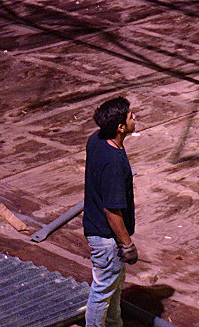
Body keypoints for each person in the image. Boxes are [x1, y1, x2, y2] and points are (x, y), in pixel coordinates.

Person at [83, 96, 138, 327]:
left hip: (99, 230)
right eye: (130, 116)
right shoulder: (114, 163)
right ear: (120, 127)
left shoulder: (96, 140)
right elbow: (112, 210)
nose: (135, 117)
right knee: (102, 293)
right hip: (106, 239)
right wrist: (127, 244)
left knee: (114, 290)